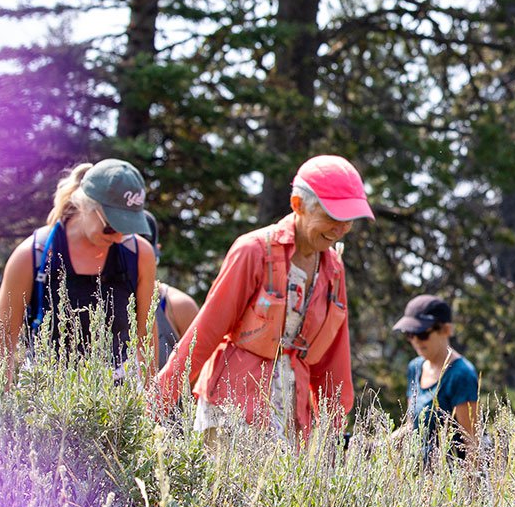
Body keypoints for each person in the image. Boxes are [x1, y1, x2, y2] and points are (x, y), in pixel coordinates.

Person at [154, 155, 371, 442]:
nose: (341, 229)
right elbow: (206, 330)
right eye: (332, 216)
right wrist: (156, 402)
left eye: (348, 221)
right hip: (232, 408)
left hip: (292, 416)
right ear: (298, 205)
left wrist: (332, 431)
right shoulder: (254, 250)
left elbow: (335, 357)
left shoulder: (334, 268)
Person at [0, 159, 157, 384]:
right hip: (46, 404)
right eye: (112, 226)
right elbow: (2, 344)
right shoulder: (33, 254)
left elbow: (147, 343)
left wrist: (151, 409)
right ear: (86, 204)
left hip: (117, 404)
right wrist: (2, 415)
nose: (118, 237)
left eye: (127, 228)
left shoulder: (138, 255)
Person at [392, 294, 479, 462]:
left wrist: (469, 486)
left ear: (446, 330)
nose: (415, 340)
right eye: (410, 334)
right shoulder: (415, 367)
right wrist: (373, 447)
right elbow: (412, 426)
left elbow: (472, 443)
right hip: (420, 476)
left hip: (450, 479)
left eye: (422, 333)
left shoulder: (461, 374)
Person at [141, 211, 200, 371]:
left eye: (142, 248)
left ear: (156, 251)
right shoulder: (96, 302)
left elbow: (195, 378)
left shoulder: (178, 307)